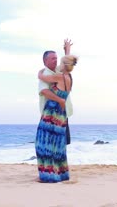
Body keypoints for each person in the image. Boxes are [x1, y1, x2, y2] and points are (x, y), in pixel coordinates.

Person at [35, 54, 78, 183]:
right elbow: (66, 63)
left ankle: (48, 175)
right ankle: (61, 174)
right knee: (58, 144)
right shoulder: (68, 76)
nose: (57, 62)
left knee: (42, 143)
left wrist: (39, 72)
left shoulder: (58, 76)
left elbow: (41, 77)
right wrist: (67, 51)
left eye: (60, 60)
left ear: (64, 65)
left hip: (52, 112)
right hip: (61, 114)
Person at [38, 39, 73, 144]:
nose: (56, 60)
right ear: (45, 61)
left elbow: (66, 65)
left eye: (56, 58)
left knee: (62, 143)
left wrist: (67, 51)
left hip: (62, 113)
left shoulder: (58, 71)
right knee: (53, 143)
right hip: (51, 116)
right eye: (53, 59)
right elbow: (44, 91)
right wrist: (60, 100)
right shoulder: (45, 74)